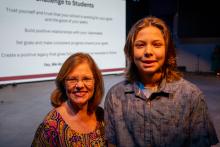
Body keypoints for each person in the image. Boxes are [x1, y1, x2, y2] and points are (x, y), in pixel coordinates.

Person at [104, 16, 219, 147]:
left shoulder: (191, 96)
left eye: (157, 44)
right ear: (130, 52)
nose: (148, 51)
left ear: (167, 51)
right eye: (140, 45)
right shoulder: (115, 96)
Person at [32, 52, 105, 146]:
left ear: (96, 82)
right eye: (72, 79)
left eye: (86, 79)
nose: (79, 85)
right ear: (63, 83)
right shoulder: (52, 124)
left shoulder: (101, 115)